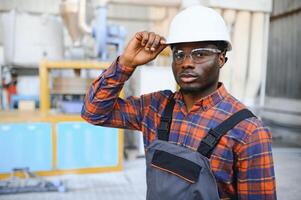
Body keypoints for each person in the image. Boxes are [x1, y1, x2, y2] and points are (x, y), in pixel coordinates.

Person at [82, 5, 276, 199]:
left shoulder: (248, 131)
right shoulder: (155, 107)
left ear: (221, 59)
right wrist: (126, 63)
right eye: (179, 54)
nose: (186, 62)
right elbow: (93, 112)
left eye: (200, 53)